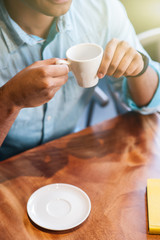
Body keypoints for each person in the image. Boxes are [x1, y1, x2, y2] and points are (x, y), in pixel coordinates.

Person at [0, 0, 160, 161]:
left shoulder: (102, 9)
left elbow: (151, 103)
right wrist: (9, 100)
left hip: (69, 154)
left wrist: (140, 69)